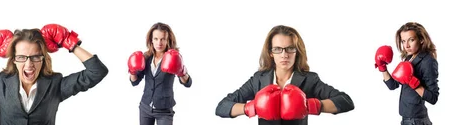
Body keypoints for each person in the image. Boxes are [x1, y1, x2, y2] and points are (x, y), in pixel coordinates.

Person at [0, 24, 108, 125]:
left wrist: (69, 42)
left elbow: (97, 72)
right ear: (14, 60)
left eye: (36, 57)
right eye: (21, 57)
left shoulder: (56, 85)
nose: (29, 64)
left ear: (43, 59)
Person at [215, 25, 355, 125]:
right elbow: (222, 107)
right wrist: (252, 107)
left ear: (297, 51)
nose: (284, 54)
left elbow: (346, 101)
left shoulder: (309, 80)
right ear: (271, 52)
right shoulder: (258, 79)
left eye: (290, 48)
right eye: (278, 49)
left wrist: (310, 106)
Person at [127, 22, 192, 125]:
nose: (159, 43)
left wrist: (181, 72)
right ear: (151, 40)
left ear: (168, 40)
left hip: (164, 110)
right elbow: (134, 82)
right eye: (156, 39)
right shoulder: (146, 57)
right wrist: (132, 71)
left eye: (163, 39)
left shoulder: (173, 57)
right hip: (145, 107)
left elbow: (188, 83)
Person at [375, 22, 439, 125]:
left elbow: (433, 98)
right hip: (406, 118)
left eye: (411, 40)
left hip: (416, 120)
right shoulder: (409, 58)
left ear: (421, 40)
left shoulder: (428, 62)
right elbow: (393, 85)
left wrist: (412, 81)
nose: (406, 45)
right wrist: (382, 67)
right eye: (403, 41)